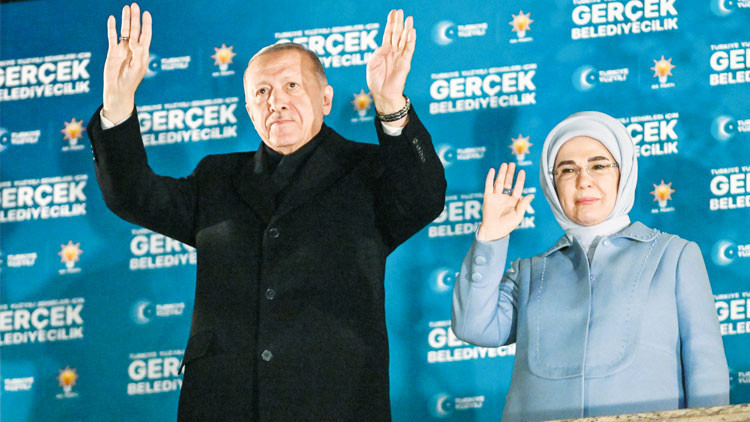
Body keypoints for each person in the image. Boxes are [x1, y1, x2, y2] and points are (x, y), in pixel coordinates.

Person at [87, 3, 445, 420]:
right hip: (224, 403)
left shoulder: (368, 171)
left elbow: (424, 198)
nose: (276, 101)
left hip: (335, 400)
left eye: (292, 85)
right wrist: (117, 103)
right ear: (249, 109)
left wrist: (391, 104)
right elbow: (132, 195)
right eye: (261, 92)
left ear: (326, 99)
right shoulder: (216, 177)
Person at [451, 111, 728, 421]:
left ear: (624, 172)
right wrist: (491, 237)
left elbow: (707, 374)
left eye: (598, 166)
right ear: (552, 184)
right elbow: (473, 327)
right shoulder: (529, 274)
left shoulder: (674, 256)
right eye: (567, 170)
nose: (584, 182)